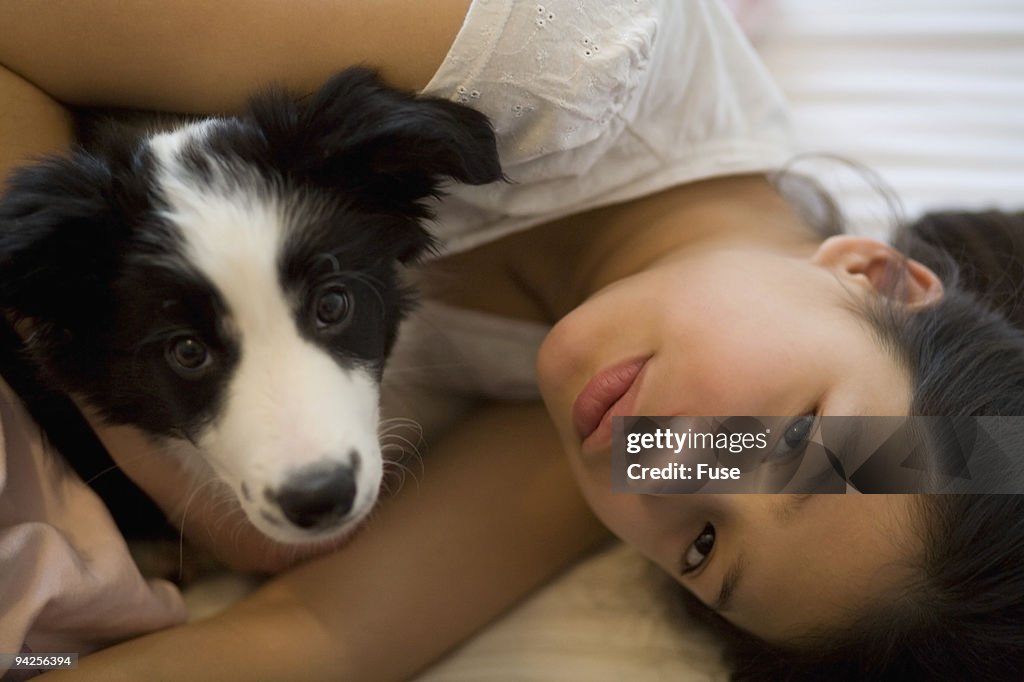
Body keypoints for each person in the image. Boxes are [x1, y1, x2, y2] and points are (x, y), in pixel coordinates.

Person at [0, 1, 1022, 680]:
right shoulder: (553, 52)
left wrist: (233, 518)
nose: (666, 470)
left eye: (704, 547)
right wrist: (101, 357)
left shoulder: (605, 421)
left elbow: (315, 638)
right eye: (795, 439)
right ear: (873, 275)